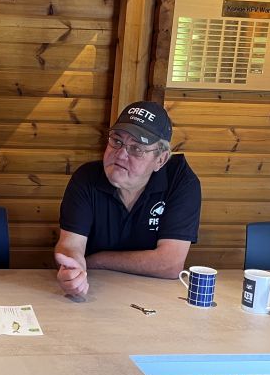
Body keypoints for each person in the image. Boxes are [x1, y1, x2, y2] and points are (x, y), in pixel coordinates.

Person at [54, 101, 201, 296]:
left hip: (155, 295)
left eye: (137, 148)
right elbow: (71, 245)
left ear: (161, 159)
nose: (121, 154)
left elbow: (170, 264)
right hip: (95, 291)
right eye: (117, 141)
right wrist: (74, 269)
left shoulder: (180, 182)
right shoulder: (86, 178)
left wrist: (97, 260)